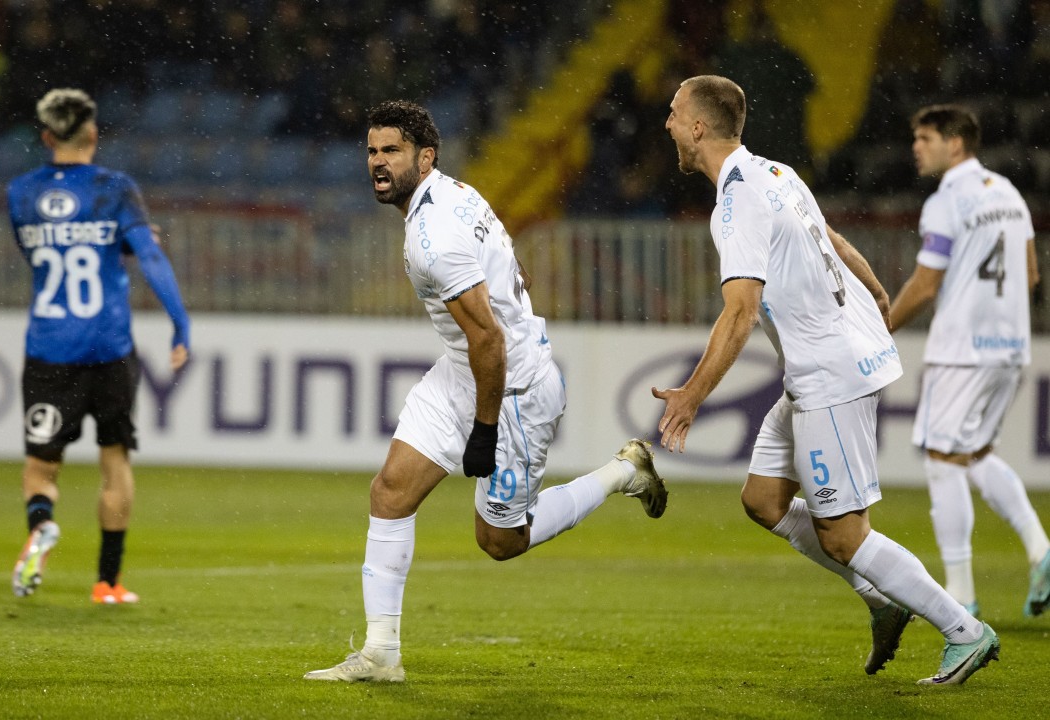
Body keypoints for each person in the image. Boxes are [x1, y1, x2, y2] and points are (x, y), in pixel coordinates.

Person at [304, 100, 668, 683]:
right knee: (390, 492)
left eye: (391, 151)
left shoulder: (433, 238)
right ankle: (381, 655)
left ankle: (623, 472)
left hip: (513, 388)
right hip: (463, 370)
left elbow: (491, 343)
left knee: (500, 540)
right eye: (371, 151)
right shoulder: (451, 195)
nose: (376, 163)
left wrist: (485, 430)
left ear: (425, 157)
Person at [652, 75, 999, 685]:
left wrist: (691, 396)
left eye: (675, 114)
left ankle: (964, 631)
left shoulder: (736, 201)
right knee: (763, 500)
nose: (668, 124)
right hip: (830, 359)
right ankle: (881, 597)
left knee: (844, 536)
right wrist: (875, 287)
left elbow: (741, 311)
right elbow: (831, 238)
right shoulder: (775, 172)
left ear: (700, 127)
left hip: (829, 372)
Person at [8, 88, 191, 605]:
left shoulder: (20, 192)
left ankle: (41, 524)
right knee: (115, 462)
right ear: (93, 133)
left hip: (49, 349)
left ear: (46, 137)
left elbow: (37, 253)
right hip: (109, 348)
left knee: (41, 468)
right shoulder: (115, 188)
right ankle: (107, 582)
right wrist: (180, 324)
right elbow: (151, 260)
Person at [889, 103, 1050, 619]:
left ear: (955, 143)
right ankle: (1041, 551)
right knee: (974, 453)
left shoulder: (945, 200)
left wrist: (880, 326)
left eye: (925, 137)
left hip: (961, 352)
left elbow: (925, 283)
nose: (916, 146)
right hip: (1009, 347)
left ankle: (960, 594)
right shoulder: (1008, 193)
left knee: (942, 461)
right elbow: (1028, 274)